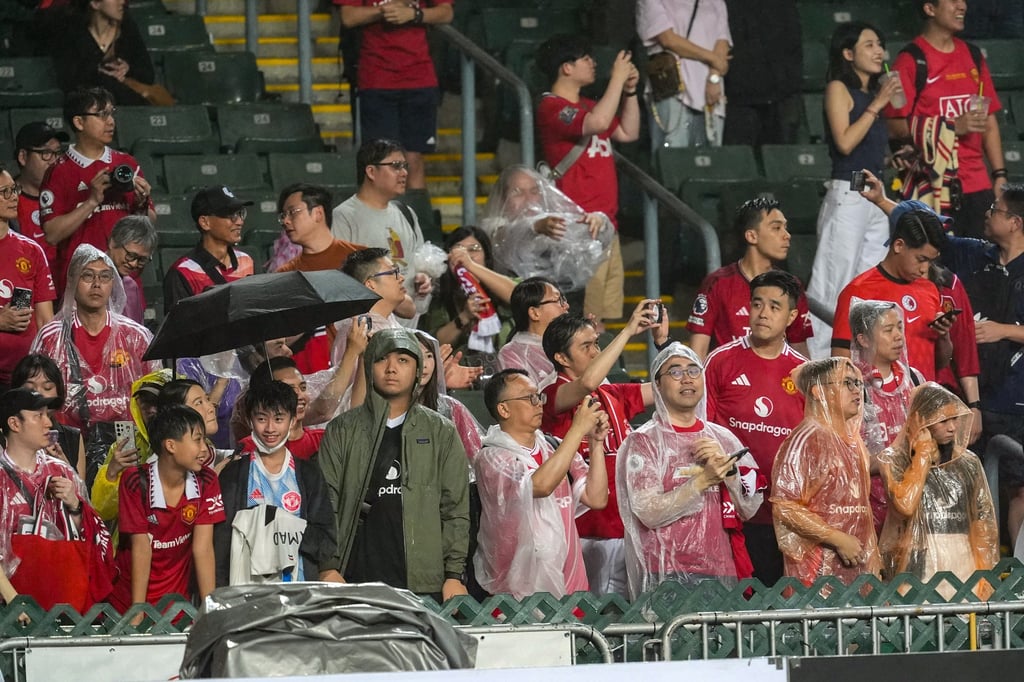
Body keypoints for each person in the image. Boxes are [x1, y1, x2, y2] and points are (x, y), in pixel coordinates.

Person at [317, 328, 470, 600]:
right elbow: (325, 502)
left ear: (418, 369)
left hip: (425, 579)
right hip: (351, 576)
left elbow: (455, 508)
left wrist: (453, 575)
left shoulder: (441, 431)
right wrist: (328, 566)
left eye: (403, 360)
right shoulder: (342, 429)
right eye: (381, 359)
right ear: (368, 365)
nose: (391, 369)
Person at [541, 302, 669, 596]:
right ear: (561, 357)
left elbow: (670, 387)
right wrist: (627, 331)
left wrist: (664, 344)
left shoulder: (612, 393)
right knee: (590, 624)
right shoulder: (551, 396)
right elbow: (585, 382)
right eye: (586, 346)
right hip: (583, 534)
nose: (596, 352)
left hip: (626, 530)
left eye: (596, 344)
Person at [618, 342, 763, 597]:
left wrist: (729, 473)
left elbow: (750, 508)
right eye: (675, 372)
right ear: (658, 385)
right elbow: (647, 511)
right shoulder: (643, 442)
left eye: (693, 370)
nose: (686, 378)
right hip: (664, 572)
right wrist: (703, 480)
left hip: (720, 569)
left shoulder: (724, 439)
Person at [806, 22, 902, 360]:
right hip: (847, 195)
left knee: (867, 290)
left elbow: (868, 147)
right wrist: (877, 105)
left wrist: (895, 157)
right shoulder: (839, 88)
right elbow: (845, 142)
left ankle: (860, 366)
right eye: (869, 45)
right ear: (848, 53)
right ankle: (817, 366)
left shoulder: (870, 96)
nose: (880, 51)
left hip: (874, 198)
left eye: (880, 44)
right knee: (833, 286)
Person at [704, 270, 806, 585]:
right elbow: (701, 432)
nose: (763, 313)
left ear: (791, 316)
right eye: (757, 304)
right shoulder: (720, 361)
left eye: (775, 307)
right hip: (729, 514)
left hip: (783, 514)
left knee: (780, 611)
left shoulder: (803, 372)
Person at [30, 244, 158, 486]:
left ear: (113, 284)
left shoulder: (136, 337)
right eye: (88, 276)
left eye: (105, 276)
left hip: (125, 439)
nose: (97, 284)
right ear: (72, 282)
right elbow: (33, 397)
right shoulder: (51, 337)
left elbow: (154, 396)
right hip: (66, 441)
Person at [474, 369, 609, 599]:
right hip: (518, 593)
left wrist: (595, 444)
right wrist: (576, 430)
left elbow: (596, 498)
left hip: (571, 584)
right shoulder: (492, 457)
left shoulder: (554, 446)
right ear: (504, 409)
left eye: (539, 397)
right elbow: (540, 486)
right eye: (530, 398)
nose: (539, 404)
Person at [536, 35, 640, 328]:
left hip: (608, 226)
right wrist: (617, 79)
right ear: (565, 67)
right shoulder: (551, 106)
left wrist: (629, 91)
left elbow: (628, 132)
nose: (593, 63)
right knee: (584, 317)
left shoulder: (590, 104)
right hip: (580, 231)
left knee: (601, 317)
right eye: (585, 58)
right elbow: (597, 123)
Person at [885, 0, 1005, 240]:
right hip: (932, 186)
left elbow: (988, 122)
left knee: (982, 266)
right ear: (930, 9)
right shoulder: (911, 60)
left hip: (978, 185)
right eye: (953, 1)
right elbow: (894, 126)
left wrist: (999, 174)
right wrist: (951, 126)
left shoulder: (972, 55)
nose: (963, 6)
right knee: (937, 271)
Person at [877, 382, 998, 599]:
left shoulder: (969, 463)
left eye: (954, 419)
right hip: (918, 557)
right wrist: (922, 455)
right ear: (920, 421)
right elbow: (904, 506)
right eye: (943, 421)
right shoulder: (895, 460)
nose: (952, 427)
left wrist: (986, 574)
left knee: (962, 627)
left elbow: (983, 522)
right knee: (920, 624)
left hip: (963, 558)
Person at [0, 388, 112, 613]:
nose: (48, 424)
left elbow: (92, 539)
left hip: (63, 606)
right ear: (14, 423)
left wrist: (75, 505)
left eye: (47, 415)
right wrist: (14, 602)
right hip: (8, 609)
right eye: (38, 416)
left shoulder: (62, 470)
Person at [215, 380, 337, 587]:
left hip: (298, 593)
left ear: (292, 421)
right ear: (249, 420)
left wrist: (282, 525)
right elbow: (220, 544)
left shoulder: (309, 474)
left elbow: (325, 542)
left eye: (279, 418)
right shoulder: (233, 475)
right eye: (261, 418)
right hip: (247, 593)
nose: (270, 428)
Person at [772, 357, 882, 587]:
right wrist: (837, 538)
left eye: (858, 384)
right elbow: (785, 506)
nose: (856, 391)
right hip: (816, 573)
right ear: (819, 392)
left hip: (857, 568)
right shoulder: (807, 439)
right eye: (847, 383)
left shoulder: (855, 443)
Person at [109, 404, 225, 619]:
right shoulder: (134, 480)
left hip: (176, 608)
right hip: (126, 603)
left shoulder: (207, 480)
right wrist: (138, 612)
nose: (204, 449)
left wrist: (210, 611)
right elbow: (141, 547)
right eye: (197, 440)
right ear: (171, 445)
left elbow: (203, 549)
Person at [41, 87, 155, 293]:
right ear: (79, 122)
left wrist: (142, 202)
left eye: (112, 113)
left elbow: (150, 221)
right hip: (81, 283)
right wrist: (92, 201)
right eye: (102, 115)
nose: (110, 121)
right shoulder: (59, 170)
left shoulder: (127, 163)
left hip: (125, 282)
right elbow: (52, 234)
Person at [334, 0, 453, 193]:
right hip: (377, 80)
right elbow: (348, 17)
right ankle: (383, 222)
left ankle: (415, 221)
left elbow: (446, 13)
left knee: (413, 160)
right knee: (383, 162)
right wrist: (384, 11)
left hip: (419, 78)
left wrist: (414, 14)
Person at [831, 200, 953, 382]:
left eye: (930, 261)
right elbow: (840, 362)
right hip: (877, 405)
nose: (924, 268)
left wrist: (943, 336)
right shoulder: (859, 292)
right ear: (898, 246)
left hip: (923, 404)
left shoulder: (929, 290)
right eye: (921, 259)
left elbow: (940, 363)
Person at [687, 197, 813, 359]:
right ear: (751, 236)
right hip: (726, 382)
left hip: (776, 382)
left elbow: (800, 350)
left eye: (785, 228)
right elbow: (698, 352)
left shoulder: (792, 286)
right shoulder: (718, 283)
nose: (787, 235)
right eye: (776, 228)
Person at [479, 165, 612, 303]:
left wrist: (598, 222)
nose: (528, 198)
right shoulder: (493, 227)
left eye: (534, 191)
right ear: (503, 199)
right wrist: (533, 227)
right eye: (517, 192)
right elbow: (505, 238)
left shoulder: (552, 222)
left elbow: (598, 242)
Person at [331, 139, 432, 317]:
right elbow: (342, 279)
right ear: (371, 171)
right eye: (395, 166)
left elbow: (416, 262)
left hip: (409, 331)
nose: (404, 173)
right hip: (370, 331)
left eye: (405, 166)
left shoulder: (406, 212)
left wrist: (422, 278)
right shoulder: (344, 216)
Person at [849, 300, 924, 535]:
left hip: (915, 503)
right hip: (869, 511)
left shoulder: (914, 379)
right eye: (888, 330)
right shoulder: (851, 386)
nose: (898, 336)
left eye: (899, 327)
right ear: (863, 339)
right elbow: (846, 458)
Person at [274, 183, 364, 373]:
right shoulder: (285, 275)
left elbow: (405, 307)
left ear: (318, 213)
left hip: (361, 368)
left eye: (293, 212)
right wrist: (310, 314)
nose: (286, 221)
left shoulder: (361, 257)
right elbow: (278, 340)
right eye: (283, 215)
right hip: (313, 375)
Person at [419, 226, 516, 375]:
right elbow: (433, 345)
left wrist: (471, 265)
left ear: (486, 256)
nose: (464, 255)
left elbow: (518, 295)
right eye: (458, 248)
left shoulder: (502, 282)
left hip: (507, 371)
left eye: (474, 249)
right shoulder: (437, 291)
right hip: (458, 375)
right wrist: (464, 317)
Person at [636, 0, 731, 148]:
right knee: (673, 158)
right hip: (672, 90)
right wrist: (713, 59)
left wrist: (714, 77)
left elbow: (722, 41)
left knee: (710, 161)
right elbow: (668, 39)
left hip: (710, 90)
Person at [0, 166, 56, 390]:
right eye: (4, 192)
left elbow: (45, 322)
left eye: (14, 190)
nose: (14, 197)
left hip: (22, 379)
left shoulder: (30, 250)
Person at [721, 0, 803, 146]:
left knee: (780, 158)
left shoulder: (782, 5)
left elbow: (792, 41)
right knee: (739, 159)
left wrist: (789, 85)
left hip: (779, 96)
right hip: (738, 97)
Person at [163, 185, 255, 313]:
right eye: (230, 215)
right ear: (205, 222)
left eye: (240, 213)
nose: (240, 222)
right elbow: (178, 329)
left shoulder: (246, 261)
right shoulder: (182, 272)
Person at [52, 0, 158, 107]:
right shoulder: (72, 32)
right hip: (88, 107)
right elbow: (68, 80)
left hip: (128, 105)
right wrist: (100, 72)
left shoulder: (127, 27)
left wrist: (127, 68)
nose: (122, 2)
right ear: (95, 4)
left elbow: (148, 74)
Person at [10, 353, 88, 483]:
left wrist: (65, 466)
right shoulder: (5, 437)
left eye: (47, 387)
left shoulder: (72, 437)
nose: (39, 394)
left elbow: (81, 497)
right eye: (29, 388)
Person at [233, 357, 327, 459]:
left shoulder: (325, 440)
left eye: (303, 388)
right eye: (289, 390)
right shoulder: (248, 448)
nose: (300, 396)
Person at [498, 277, 569, 387]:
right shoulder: (512, 354)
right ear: (534, 313)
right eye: (558, 300)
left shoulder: (569, 343)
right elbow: (521, 398)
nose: (566, 306)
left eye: (563, 300)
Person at [13, 121, 68, 264]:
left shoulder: (68, 195)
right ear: (23, 157)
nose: (54, 161)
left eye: (58, 153)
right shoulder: (7, 200)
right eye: (46, 153)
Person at [106, 214, 156, 324]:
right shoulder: (88, 278)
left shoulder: (131, 287)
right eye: (131, 255)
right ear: (113, 242)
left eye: (141, 259)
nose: (134, 264)